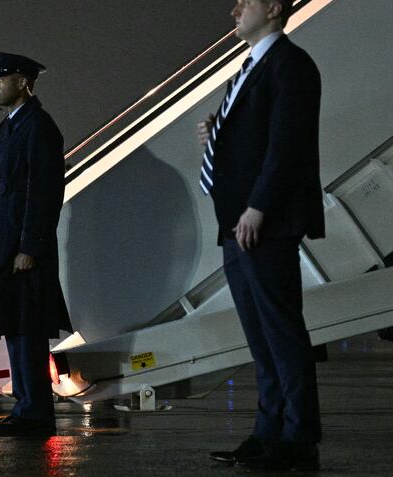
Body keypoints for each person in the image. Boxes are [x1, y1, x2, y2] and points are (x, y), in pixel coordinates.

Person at [198, 0, 324, 470]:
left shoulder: (290, 65)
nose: (234, 11)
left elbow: (286, 145)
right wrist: (217, 134)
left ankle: (299, 439)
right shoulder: (252, 66)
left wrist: (259, 206)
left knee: (282, 332)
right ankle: (268, 431)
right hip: (235, 223)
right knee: (260, 337)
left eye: (245, 2)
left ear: (273, 8)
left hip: (262, 222)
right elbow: (257, 137)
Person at [0, 51, 72, 436]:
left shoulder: (38, 127)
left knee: (28, 332)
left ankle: (35, 413)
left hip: (21, 248)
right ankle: (25, 409)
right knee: (13, 329)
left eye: (1, 80)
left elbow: (43, 192)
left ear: (23, 82)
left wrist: (30, 246)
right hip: (2, 246)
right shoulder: (9, 127)